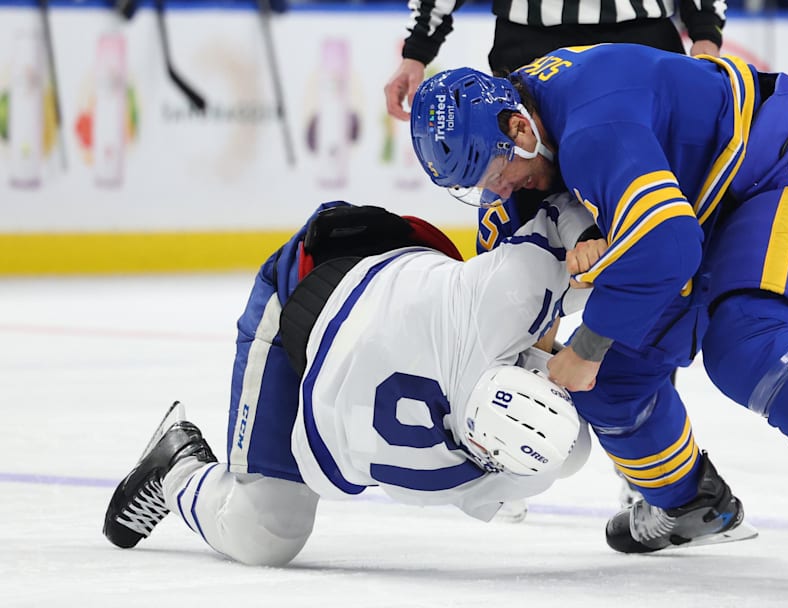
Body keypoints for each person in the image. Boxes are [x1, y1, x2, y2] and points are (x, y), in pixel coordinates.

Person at [408, 45, 788, 597]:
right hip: (692, 207)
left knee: (749, 345)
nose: (499, 189)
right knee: (614, 386)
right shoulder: (520, 146)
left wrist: (583, 348)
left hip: (776, 169)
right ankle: (694, 504)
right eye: (479, 185)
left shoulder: (594, 125)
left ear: (519, 127)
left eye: (496, 172)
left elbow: (667, 247)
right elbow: (517, 287)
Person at [102, 196, 600, 566]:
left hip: (369, 324)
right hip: (298, 294)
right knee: (266, 533)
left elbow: (558, 217)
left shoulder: (507, 303)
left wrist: (581, 253)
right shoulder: (448, 472)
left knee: (268, 536)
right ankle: (178, 468)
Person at [383, 0, 726, 122]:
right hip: (529, 47)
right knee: (528, 187)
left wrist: (706, 34)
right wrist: (416, 51)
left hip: (641, 41)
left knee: (651, 181)